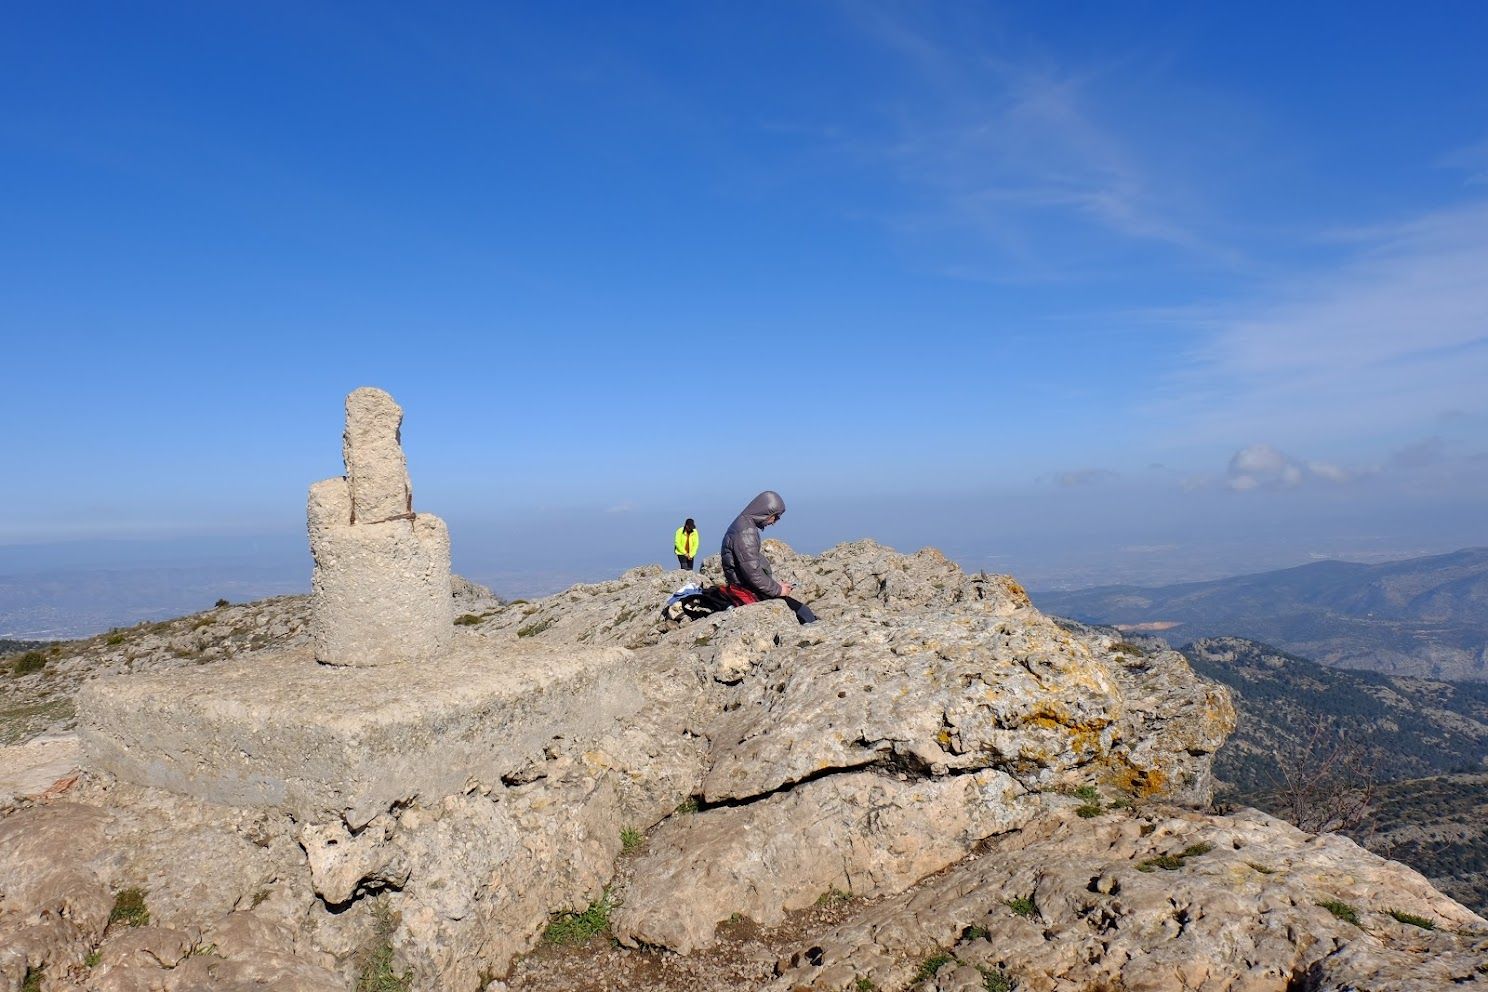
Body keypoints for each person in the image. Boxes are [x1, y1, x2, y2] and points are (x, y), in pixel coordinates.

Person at [719, 490, 817, 624]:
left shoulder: (744, 525)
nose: (775, 522)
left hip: (748, 587)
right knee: (804, 613)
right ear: (766, 512)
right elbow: (753, 573)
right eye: (775, 516)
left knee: (803, 612)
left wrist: (776, 586)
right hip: (747, 590)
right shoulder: (746, 532)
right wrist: (778, 590)